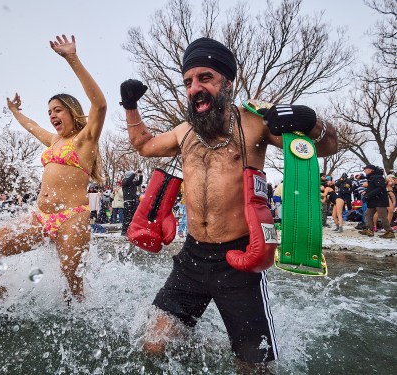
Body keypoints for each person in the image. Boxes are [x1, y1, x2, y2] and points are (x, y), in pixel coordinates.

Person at [120, 37, 338, 368]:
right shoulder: (184, 132)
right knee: (154, 344)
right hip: (193, 257)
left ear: (227, 83)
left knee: (254, 366)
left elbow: (327, 146)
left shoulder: (255, 124)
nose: (195, 88)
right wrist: (130, 106)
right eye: (188, 82)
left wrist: (310, 122)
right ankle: (202, 351)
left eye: (205, 77)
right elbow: (144, 145)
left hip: (240, 260)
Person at [0, 34, 107, 300]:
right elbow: (32, 127)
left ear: (72, 111)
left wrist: (71, 58)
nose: (52, 116)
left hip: (72, 220)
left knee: (73, 289)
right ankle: (0, 300)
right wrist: (16, 112)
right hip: (39, 217)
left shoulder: (85, 139)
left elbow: (99, 104)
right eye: (49, 111)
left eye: (58, 110)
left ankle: (83, 325)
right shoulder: (54, 140)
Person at [359, 165, 394, 238]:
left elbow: (380, 188)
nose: (364, 171)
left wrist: (368, 195)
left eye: (365, 169)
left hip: (380, 200)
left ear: (370, 170)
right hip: (373, 200)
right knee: (368, 214)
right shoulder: (371, 178)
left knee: (382, 216)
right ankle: (370, 230)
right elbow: (372, 188)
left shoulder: (378, 177)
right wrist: (366, 193)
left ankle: (389, 231)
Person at [121, 170, 143, 236]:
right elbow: (129, 179)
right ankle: (124, 232)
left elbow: (139, 182)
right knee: (127, 217)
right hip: (128, 201)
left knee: (134, 216)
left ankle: (131, 230)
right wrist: (134, 172)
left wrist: (141, 175)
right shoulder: (125, 181)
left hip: (134, 201)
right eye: (132, 175)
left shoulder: (132, 183)